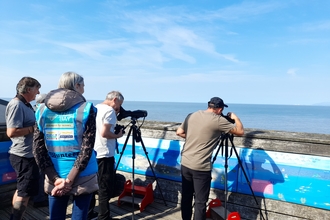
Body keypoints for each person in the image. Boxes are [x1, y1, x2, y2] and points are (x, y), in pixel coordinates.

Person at [33, 72, 98, 220]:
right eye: (83, 85)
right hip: (83, 174)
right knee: (80, 217)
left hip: (54, 171)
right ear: (76, 85)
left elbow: (38, 148)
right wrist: (69, 180)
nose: (84, 89)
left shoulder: (41, 110)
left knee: (55, 216)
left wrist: (55, 178)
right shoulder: (86, 109)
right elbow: (87, 148)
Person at [176, 97, 244, 220]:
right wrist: (235, 118)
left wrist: (195, 137)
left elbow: (179, 132)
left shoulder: (192, 115)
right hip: (200, 167)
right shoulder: (217, 120)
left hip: (185, 162)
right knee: (200, 202)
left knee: (186, 197)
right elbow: (240, 131)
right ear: (219, 109)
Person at [5, 76, 41, 220]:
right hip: (22, 156)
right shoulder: (16, 105)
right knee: (24, 193)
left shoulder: (25, 104)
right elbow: (11, 132)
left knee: (22, 190)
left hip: (28, 155)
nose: (38, 93)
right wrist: (33, 128)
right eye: (37, 89)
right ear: (28, 89)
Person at [90, 91, 124, 220]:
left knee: (91, 184)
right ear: (114, 99)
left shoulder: (95, 108)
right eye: (119, 104)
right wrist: (118, 135)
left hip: (93, 151)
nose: (119, 108)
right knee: (104, 186)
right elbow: (105, 133)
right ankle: (104, 216)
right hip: (104, 153)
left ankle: (89, 213)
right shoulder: (109, 111)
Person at [32, 93, 49, 208]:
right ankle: (39, 199)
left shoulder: (33, 110)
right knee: (40, 174)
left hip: (33, 148)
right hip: (39, 149)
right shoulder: (41, 112)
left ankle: (39, 197)